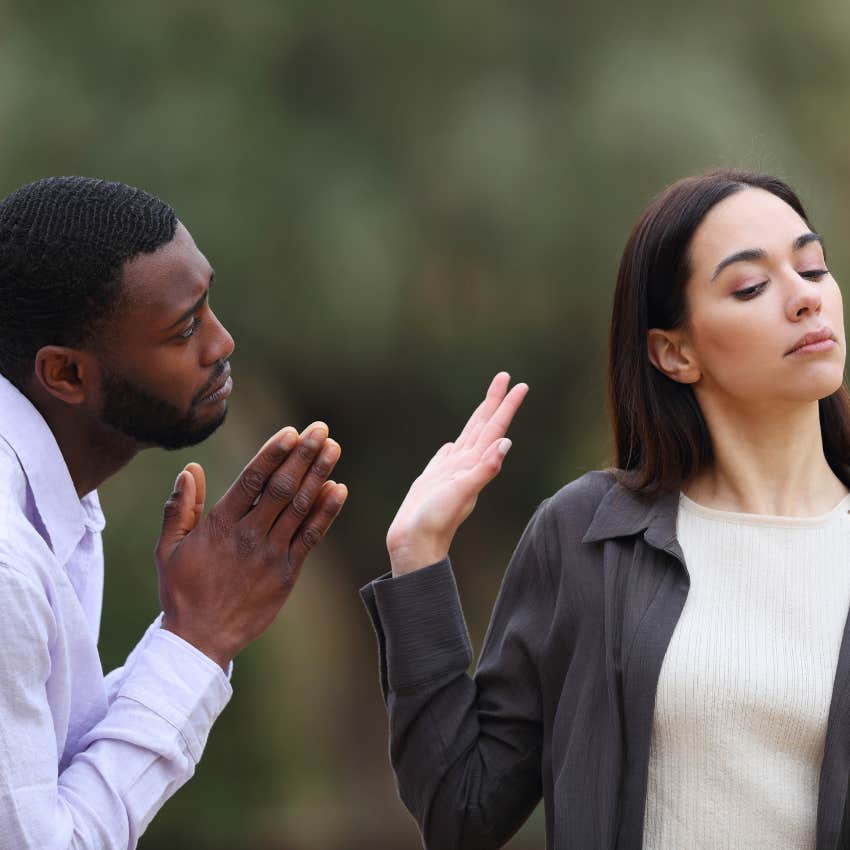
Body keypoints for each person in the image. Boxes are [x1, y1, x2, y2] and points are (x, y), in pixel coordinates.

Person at [361, 169, 850, 850]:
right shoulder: (590, 535)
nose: (805, 299)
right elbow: (460, 812)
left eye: (813, 267)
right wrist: (418, 557)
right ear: (674, 352)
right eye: (750, 286)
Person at [0, 176, 348, 848]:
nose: (221, 344)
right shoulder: (7, 565)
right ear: (66, 375)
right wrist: (197, 639)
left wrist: (187, 632)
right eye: (184, 328)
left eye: (208, 306)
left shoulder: (51, 495)